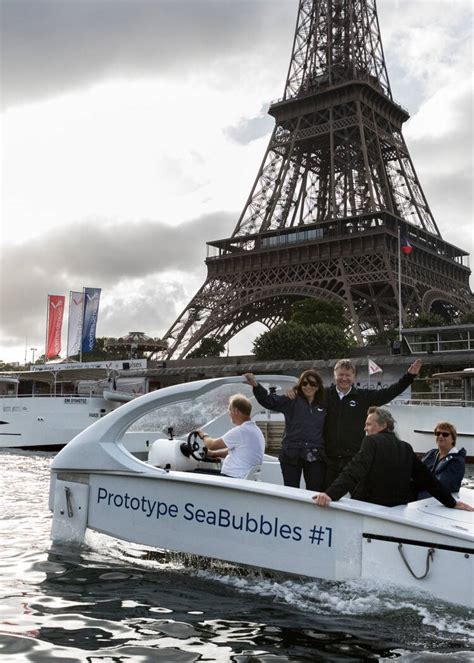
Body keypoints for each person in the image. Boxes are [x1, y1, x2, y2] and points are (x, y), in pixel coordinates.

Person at [313, 407, 473, 512]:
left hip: (369, 509)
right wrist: (451, 502)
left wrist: (331, 494)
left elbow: (355, 469)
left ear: (382, 425)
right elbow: (427, 479)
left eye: (368, 424)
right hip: (397, 510)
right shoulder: (406, 447)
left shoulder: (371, 441)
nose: (365, 428)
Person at [322, 357, 422, 486]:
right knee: (325, 497)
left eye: (348, 375)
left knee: (359, 497)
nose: (344, 378)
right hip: (328, 459)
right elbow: (304, 392)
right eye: (341, 374)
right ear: (335, 375)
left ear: (354, 377)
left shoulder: (363, 396)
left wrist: (409, 377)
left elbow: (388, 393)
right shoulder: (324, 394)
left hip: (354, 457)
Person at [243, 370, 326, 490]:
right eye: (305, 383)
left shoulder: (324, 403)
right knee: (291, 490)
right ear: (300, 385)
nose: (308, 387)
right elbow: (269, 401)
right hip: (291, 453)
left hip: (315, 454)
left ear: (318, 386)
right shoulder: (291, 400)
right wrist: (256, 385)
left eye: (313, 384)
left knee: (315, 490)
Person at [196, 394, 265, 479]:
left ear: (235, 411)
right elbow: (234, 451)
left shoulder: (240, 431)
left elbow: (211, 445)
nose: (229, 414)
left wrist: (202, 434)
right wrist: (213, 454)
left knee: (192, 473)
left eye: (229, 410)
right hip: (240, 477)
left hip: (232, 478)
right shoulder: (255, 430)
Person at [417, 422, 466, 499]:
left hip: (440, 497)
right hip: (424, 492)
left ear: (453, 439)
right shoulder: (431, 453)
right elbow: (417, 471)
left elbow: (444, 484)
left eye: (445, 434)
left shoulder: (457, 461)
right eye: (438, 433)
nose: (440, 436)